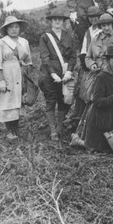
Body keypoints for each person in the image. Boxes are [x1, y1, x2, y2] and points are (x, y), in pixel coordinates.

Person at [0, 16, 33, 141]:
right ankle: (10, 130)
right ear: (6, 29)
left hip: (20, 74)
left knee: (18, 102)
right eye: (11, 27)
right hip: (7, 75)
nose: (14, 30)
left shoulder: (24, 42)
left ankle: (16, 129)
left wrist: (28, 79)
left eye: (16, 27)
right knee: (7, 102)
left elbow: (29, 61)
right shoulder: (1, 42)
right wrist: (1, 80)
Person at [38, 8, 77, 141]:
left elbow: (73, 56)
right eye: (55, 19)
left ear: (63, 21)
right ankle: (53, 131)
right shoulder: (45, 37)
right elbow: (45, 58)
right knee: (50, 101)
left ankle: (60, 126)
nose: (57, 22)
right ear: (51, 21)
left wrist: (69, 71)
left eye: (60, 19)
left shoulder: (68, 36)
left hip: (65, 74)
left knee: (64, 101)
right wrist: (53, 74)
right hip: (49, 76)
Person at [65, 5, 101, 125]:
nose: (93, 19)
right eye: (91, 17)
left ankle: (92, 119)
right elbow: (84, 49)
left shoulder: (102, 29)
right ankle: (79, 118)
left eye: (95, 17)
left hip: (100, 63)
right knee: (82, 90)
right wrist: (85, 62)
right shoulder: (88, 31)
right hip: (89, 63)